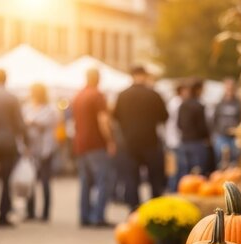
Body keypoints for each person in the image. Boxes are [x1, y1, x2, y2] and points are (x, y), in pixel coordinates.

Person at [113, 66, 168, 210]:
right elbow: (164, 117)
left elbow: (116, 117)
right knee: (154, 178)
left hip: (128, 142)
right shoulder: (154, 95)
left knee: (131, 179)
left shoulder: (122, 95)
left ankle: (133, 210)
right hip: (150, 141)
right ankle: (156, 210)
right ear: (144, 76)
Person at [71, 68, 115, 227]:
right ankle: (98, 217)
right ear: (98, 79)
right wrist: (110, 140)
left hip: (80, 144)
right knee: (104, 180)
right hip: (96, 144)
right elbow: (103, 120)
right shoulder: (98, 95)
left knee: (85, 182)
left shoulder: (78, 95)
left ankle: (84, 216)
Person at [0, 69, 26, 227]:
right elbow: (19, 124)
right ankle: (3, 216)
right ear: (6, 79)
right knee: (6, 181)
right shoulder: (12, 98)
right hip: (8, 143)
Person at [23, 83, 60, 222]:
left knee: (45, 181)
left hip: (46, 149)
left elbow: (47, 123)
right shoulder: (27, 107)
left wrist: (32, 122)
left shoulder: (50, 109)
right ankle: (30, 211)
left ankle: (45, 213)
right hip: (31, 149)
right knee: (30, 180)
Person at [178, 79, 210, 175]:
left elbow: (179, 124)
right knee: (199, 169)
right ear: (198, 90)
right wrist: (206, 137)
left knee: (186, 170)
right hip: (197, 141)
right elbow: (202, 126)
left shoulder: (183, 105)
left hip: (184, 140)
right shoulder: (198, 106)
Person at [212, 78, 241, 168]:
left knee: (234, 162)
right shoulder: (220, 103)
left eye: (232, 88)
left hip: (234, 137)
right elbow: (215, 120)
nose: (230, 90)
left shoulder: (239, 104)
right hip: (222, 136)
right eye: (228, 87)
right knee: (221, 161)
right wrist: (215, 135)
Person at [164, 81, 189, 192]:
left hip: (171, 139)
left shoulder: (173, 102)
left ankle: (174, 189)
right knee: (179, 168)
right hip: (176, 140)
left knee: (173, 168)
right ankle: (176, 190)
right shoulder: (178, 104)